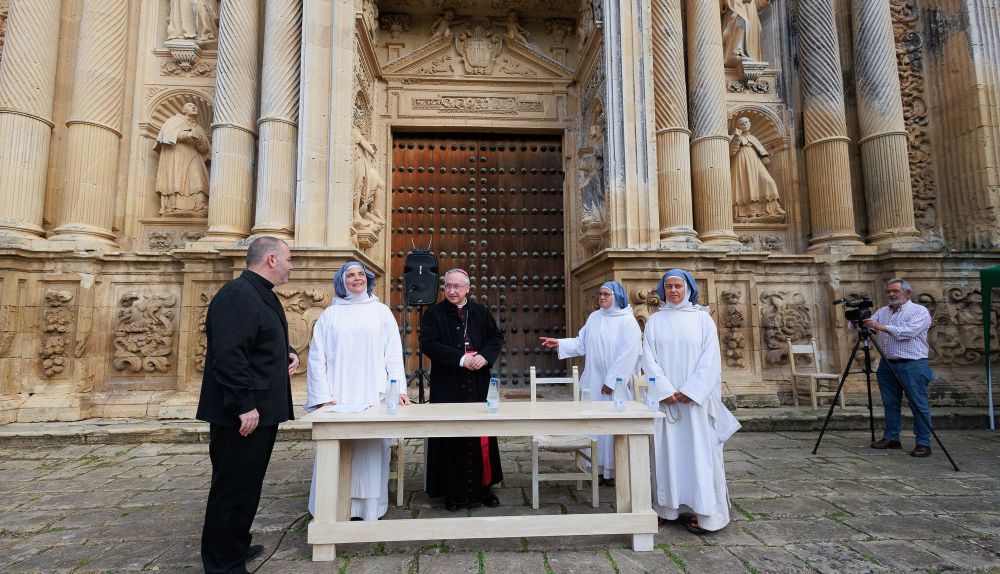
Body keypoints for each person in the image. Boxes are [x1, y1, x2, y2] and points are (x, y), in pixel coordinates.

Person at [196, 237, 298, 574]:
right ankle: (223, 564)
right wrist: (244, 404)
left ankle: (235, 546)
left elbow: (258, 340)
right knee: (232, 487)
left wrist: (287, 353)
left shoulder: (259, 293)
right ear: (271, 259)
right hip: (242, 414)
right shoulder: (238, 295)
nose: (291, 265)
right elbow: (228, 356)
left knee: (246, 484)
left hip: (259, 410)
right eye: (288, 259)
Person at [305, 261, 410, 519]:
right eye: (350, 275)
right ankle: (331, 505)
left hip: (372, 394)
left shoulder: (381, 312)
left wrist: (398, 389)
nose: (356, 279)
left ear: (368, 279)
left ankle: (369, 509)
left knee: (371, 451)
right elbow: (317, 358)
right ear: (342, 282)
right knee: (337, 448)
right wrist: (322, 397)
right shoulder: (330, 315)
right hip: (338, 395)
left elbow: (393, 355)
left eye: (361, 274)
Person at [641, 269, 741, 534]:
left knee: (700, 455)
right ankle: (667, 508)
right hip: (667, 401)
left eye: (678, 286)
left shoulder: (703, 320)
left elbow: (710, 361)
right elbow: (647, 358)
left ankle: (705, 511)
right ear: (663, 290)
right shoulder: (655, 321)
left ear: (689, 289)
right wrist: (665, 390)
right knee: (667, 454)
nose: (673, 291)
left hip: (695, 404)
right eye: (669, 286)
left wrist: (690, 391)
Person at [540, 281, 641, 485]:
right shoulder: (594, 317)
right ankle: (596, 468)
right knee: (595, 426)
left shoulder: (628, 322)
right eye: (600, 294)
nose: (602, 298)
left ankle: (614, 471)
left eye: (606, 294)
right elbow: (581, 343)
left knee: (612, 427)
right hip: (593, 382)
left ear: (617, 297)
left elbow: (628, 354)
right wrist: (559, 343)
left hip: (614, 386)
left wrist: (612, 381)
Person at [420, 268, 505, 511]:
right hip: (448, 385)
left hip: (478, 383)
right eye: (448, 286)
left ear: (468, 288)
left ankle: (484, 488)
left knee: (482, 436)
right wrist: (460, 359)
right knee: (451, 436)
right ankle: (452, 492)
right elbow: (429, 344)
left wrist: (484, 357)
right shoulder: (433, 314)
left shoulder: (480, 312)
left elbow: (495, 338)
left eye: (457, 286)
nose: (452, 291)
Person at [864, 278, 934, 457]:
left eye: (895, 291)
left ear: (908, 293)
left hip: (913, 364)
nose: (891, 295)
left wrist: (880, 326)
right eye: (888, 292)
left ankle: (923, 443)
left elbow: (909, 332)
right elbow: (869, 329)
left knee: (918, 404)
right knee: (890, 403)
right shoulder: (883, 311)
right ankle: (892, 437)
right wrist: (859, 322)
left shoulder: (919, 311)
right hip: (888, 364)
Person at [153, 102, 210, 217]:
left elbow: (205, 150)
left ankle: (199, 206)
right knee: (177, 179)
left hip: (194, 157)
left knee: (198, 178)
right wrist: (188, 135)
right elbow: (167, 135)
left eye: (195, 105)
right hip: (177, 156)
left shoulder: (198, 127)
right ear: (184, 111)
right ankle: (173, 207)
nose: (194, 107)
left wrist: (198, 140)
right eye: (190, 105)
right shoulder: (175, 120)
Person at [729, 116, 784, 222]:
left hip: (755, 161)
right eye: (742, 123)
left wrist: (767, 155)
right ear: (738, 126)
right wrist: (736, 137)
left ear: (750, 123)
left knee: (768, 181)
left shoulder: (753, 138)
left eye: (746, 122)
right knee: (745, 185)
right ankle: (749, 211)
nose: (745, 124)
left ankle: (774, 208)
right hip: (742, 161)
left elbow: (761, 151)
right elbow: (731, 151)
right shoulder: (735, 136)